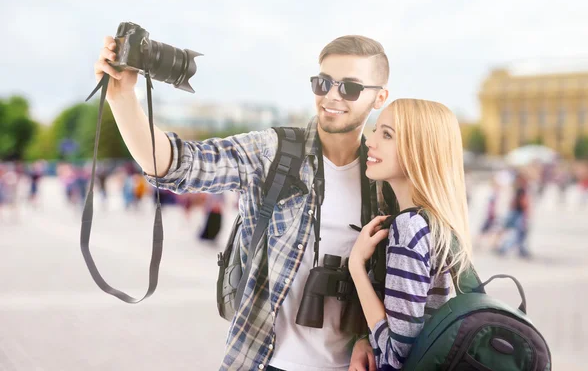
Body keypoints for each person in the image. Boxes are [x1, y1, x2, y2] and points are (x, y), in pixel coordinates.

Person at [94, 34, 393, 370]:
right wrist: (122, 98)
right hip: (263, 361)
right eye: (322, 83)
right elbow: (178, 163)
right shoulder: (274, 152)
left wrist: (367, 337)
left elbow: (397, 280)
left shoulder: (386, 179)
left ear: (379, 97)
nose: (331, 96)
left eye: (349, 88)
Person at [348, 99, 472, 370]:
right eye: (376, 130)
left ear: (419, 151)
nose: (370, 141)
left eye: (387, 134)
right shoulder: (438, 222)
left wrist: (356, 267)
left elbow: (397, 354)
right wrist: (364, 340)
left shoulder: (410, 227)